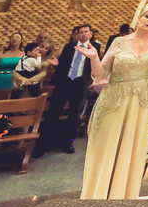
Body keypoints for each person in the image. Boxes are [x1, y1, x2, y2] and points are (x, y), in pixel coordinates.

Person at [78, 2, 148, 199]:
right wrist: (94, 57)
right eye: (147, 16)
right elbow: (101, 74)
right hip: (115, 100)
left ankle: (122, 198)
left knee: (132, 149)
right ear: (138, 17)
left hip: (142, 102)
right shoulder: (120, 42)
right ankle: (96, 198)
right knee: (107, 146)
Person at [36, 24, 101, 155]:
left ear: (90, 33)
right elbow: (63, 67)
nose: (83, 34)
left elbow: (95, 67)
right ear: (77, 34)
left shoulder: (95, 47)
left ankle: (68, 143)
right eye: (80, 32)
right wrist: (57, 65)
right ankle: (42, 145)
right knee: (52, 114)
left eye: (85, 32)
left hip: (79, 85)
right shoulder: (69, 47)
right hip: (63, 83)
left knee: (74, 116)